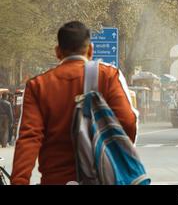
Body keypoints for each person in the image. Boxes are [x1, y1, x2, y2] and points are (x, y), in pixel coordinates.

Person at [11, 21, 138, 185]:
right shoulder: (107, 76)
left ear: (58, 52)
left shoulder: (38, 86)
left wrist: (19, 181)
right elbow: (128, 124)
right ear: (91, 50)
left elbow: (29, 138)